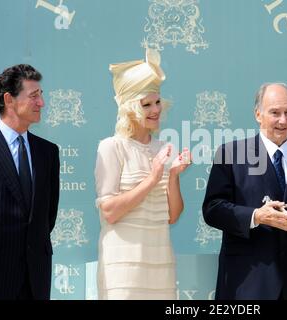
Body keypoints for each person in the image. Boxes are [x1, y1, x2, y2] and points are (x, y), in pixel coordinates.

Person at [202, 82, 287, 300]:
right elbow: (213, 209)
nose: (283, 120)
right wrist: (257, 216)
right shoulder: (231, 154)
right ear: (258, 114)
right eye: (275, 112)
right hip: (246, 284)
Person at [94, 49, 191, 300]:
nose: (155, 110)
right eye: (146, 104)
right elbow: (109, 211)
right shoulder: (111, 147)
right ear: (129, 108)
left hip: (160, 261)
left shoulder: (162, 148)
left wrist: (173, 175)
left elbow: (173, 216)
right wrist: (152, 178)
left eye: (157, 102)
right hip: (122, 265)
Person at [0, 64, 60, 299]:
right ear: (9, 100)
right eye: (34, 96)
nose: (41, 103)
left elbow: (47, 215)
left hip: (36, 278)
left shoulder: (47, 152)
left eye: (41, 96)